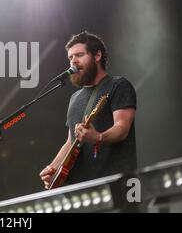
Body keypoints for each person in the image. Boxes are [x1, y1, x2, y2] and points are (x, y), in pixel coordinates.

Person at [40, 31, 137, 188]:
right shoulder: (74, 98)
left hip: (115, 182)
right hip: (81, 187)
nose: (73, 62)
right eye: (70, 58)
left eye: (79, 55)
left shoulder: (118, 85)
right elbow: (71, 141)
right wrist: (52, 169)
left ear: (97, 56)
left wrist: (98, 137)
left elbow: (122, 127)